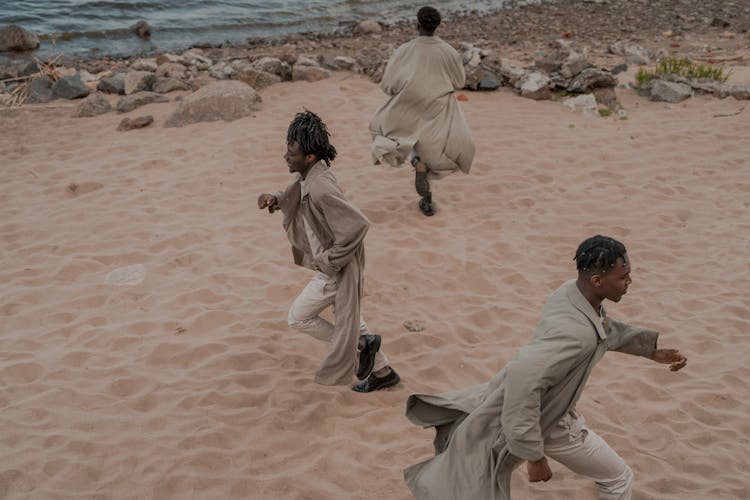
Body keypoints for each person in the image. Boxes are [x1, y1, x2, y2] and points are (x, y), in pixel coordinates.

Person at [403, 235, 687, 499]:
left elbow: (604, 328)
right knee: (619, 477)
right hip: (549, 424)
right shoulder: (576, 336)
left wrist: (650, 351)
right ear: (598, 280)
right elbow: (522, 382)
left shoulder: (571, 293)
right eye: (623, 277)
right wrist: (534, 456)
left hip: (548, 411)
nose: (629, 282)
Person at [258, 110, 400, 392]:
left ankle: (360, 345)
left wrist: (327, 262)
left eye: (292, 153)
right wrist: (276, 197)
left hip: (335, 269)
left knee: (298, 317)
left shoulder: (321, 186)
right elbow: (296, 190)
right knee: (350, 317)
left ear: (309, 157)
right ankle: (383, 372)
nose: (286, 157)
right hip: (336, 266)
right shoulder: (312, 174)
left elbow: (358, 225)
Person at [369, 6, 475, 217]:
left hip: (409, 103)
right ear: (437, 26)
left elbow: (388, 85)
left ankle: (416, 162)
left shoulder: (403, 50)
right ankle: (426, 190)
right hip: (437, 105)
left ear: (417, 25)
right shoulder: (449, 51)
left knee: (387, 130)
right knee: (431, 143)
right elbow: (459, 81)